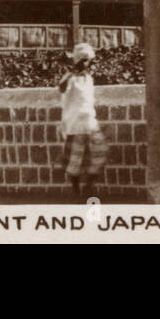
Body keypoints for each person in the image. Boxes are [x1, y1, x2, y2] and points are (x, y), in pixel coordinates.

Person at [58, 43, 107, 202]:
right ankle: (76, 191)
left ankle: (88, 186)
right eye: (85, 60)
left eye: (89, 61)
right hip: (76, 123)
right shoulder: (70, 78)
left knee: (100, 153)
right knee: (75, 160)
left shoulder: (89, 79)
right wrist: (74, 71)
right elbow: (61, 88)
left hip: (90, 122)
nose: (89, 64)